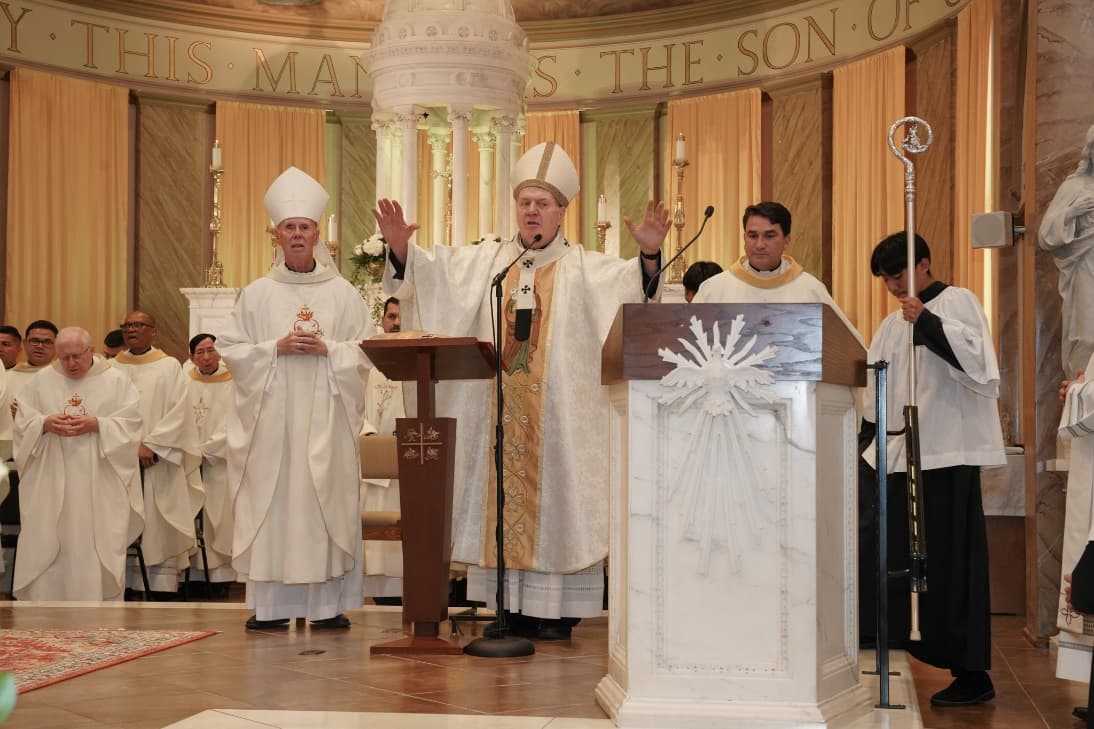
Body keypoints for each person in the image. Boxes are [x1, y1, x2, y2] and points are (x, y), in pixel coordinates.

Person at [372, 141, 671, 640]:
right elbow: (432, 275)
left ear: (562, 213)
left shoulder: (584, 268)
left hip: (558, 424)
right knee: (500, 492)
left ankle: (554, 611)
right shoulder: (487, 264)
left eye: (543, 204)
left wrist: (647, 254)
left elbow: (634, 292)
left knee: (557, 499)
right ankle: (506, 608)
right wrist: (403, 250)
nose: (532, 211)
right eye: (525, 202)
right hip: (498, 413)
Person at [219, 166, 374, 631]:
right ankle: (270, 607)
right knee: (274, 499)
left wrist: (330, 349)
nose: (298, 234)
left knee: (322, 497)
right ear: (276, 235)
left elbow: (365, 349)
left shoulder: (344, 294)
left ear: (316, 232)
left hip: (326, 417)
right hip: (271, 424)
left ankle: (326, 606)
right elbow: (230, 348)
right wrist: (273, 348)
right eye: (290, 227)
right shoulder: (256, 295)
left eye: (305, 227)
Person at [860, 232, 1006, 707]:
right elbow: (873, 391)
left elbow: (980, 365)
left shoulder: (957, 301)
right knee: (903, 562)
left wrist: (928, 322)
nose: (892, 284)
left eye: (898, 273)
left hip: (946, 457)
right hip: (903, 458)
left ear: (923, 264)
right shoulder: (888, 324)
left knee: (951, 564)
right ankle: (906, 643)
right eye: (885, 277)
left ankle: (972, 673)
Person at [11, 327, 143, 600]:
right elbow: (23, 422)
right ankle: (45, 610)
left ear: (90, 351)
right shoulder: (40, 381)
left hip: (100, 481)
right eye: (64, 358)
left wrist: (99, 424)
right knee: (49, 536)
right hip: (50, 479)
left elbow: (132, 425)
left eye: (76, 356)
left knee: (94, 541)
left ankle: (96, 607)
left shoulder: (117, 382)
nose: (70, 364)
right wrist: (44, 423)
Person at [112, 311, 203, 596]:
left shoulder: (168, 367)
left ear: (153, 331)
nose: (131, 330)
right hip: (121, 462)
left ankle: (160, 586)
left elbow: (179, 411)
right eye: (127, 325)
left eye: (138, 325)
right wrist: (129, 447)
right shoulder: (111, 368)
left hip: (158, 460)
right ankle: (124, 586)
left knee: (158, 523)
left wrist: (152, 445)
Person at [692, 203, 854, 329]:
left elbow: (844, 345)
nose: (760, 244)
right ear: (744, 238)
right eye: (753, 236)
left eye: (769, 236)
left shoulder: (810, 290)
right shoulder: (714, 289)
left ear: (787, 240)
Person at [1039, 124, 1094, 377]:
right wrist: (1072, 212)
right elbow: (1045, 235)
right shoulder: (1074, 187)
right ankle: (1080, 393)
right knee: (1087, 336)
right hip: (1085, 269)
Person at [361, 296, 404, 603]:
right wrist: (369, 433)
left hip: (406, 459)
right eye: (391, 316)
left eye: (400, 317)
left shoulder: (419, 360)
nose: (396, 322)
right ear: (383, 319)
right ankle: (377, 595)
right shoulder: (368, 362)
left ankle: (403, 591)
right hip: (372, 455)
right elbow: (353, 402)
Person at [185, 333, 236, 587]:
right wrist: (189, 449)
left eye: (211, 350)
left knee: (219, 514)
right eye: (200, 352)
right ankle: (193, 575)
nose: (206, 357)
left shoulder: (234, 382)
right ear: (192, 357)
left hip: (219, 462)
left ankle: (220, 577)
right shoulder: (184, 382)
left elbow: (235, 421)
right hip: (189, 460)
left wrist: (207, 449)